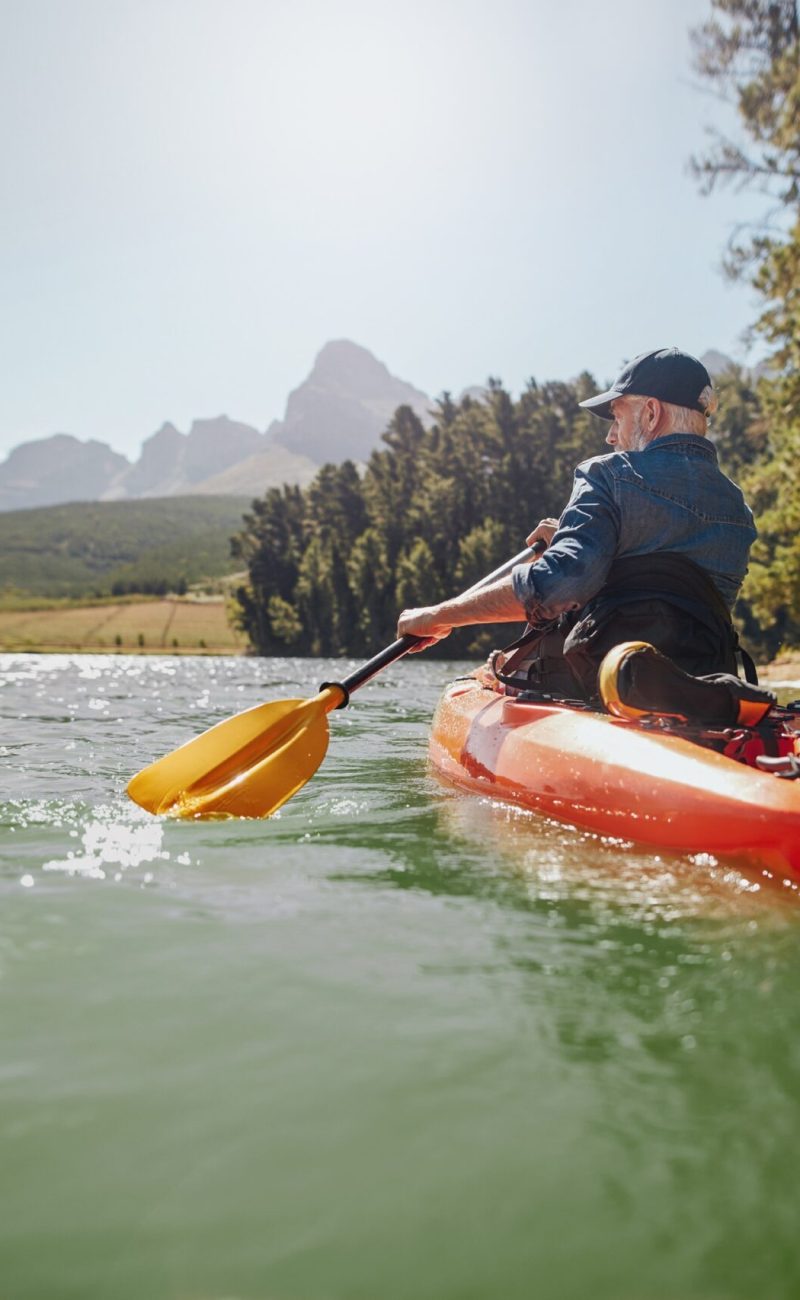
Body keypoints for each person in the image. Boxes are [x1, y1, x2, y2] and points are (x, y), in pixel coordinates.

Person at [397, 347, 759, 700]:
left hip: (598, 683)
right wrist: (574, 541)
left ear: (650, 414)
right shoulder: (738, 510)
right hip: (702, 689)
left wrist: (437, 616)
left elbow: (556, 587)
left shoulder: (608, 474)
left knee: (499, 668)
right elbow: (669, 585)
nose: (611, 436)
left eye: (617, 417)